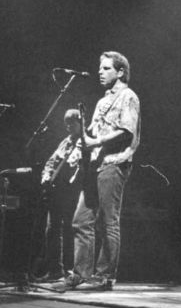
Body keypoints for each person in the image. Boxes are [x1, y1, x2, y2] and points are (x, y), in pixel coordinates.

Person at [57, 51, 141, 291]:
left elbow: (127, 131)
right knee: (81, 220)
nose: (100, 72)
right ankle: (81, 273)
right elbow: (92, 132)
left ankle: (104, 276)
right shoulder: (102, 101)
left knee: (107, 221)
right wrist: (80, 144)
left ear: (120, 72)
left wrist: (97, 141)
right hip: (94, 166)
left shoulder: (128, 96)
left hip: (114, 163)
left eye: (106, 68)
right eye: (100, 68)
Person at [37, 108, 84, 282]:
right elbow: (51, 162)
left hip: (73, 191)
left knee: (71, 229)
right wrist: (46, 175)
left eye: (72, 123)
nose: (69, 127)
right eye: (67, 123)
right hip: (57, 192)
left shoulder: (85, 142)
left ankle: (72, 270)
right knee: (52, 230)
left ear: (81, 123)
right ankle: (55, 270)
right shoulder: (65, 141)